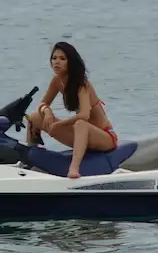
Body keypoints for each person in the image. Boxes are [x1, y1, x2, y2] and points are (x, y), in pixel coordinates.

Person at [25, 41, 118, 179]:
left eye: (62, 59)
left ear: (71, 62)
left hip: (104, 137)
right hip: (82, 136)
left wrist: (59, 124)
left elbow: (84, 115)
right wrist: (47, 111)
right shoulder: (57, 81)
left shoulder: (81, 83)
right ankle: (29, 159)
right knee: (34, 117)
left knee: (80, 123)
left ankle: (74, 168)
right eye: (54, 58)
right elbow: (43, 103)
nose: (57, 62)